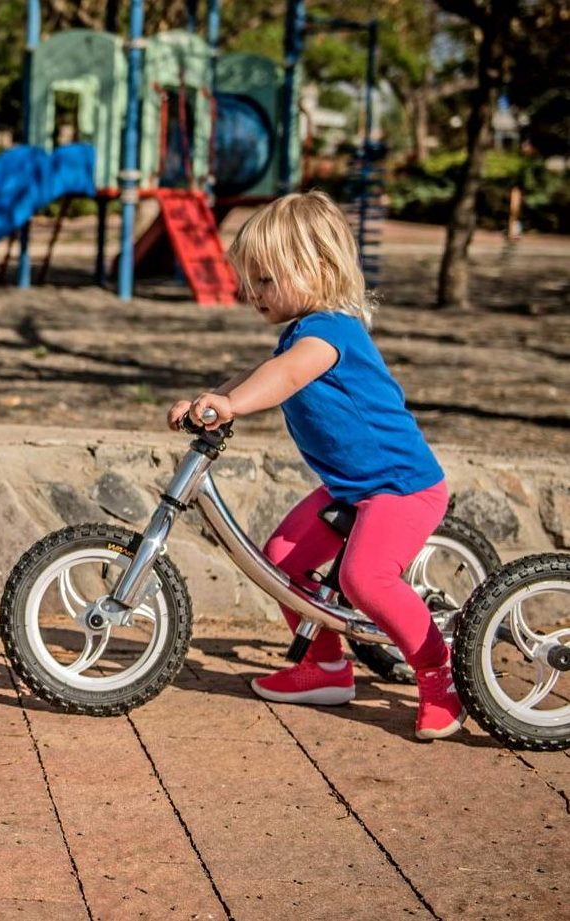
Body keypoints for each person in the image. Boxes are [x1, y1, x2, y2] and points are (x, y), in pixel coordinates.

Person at [168, 191, 462, 742]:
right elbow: (260, 372)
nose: (253, 293)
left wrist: (232, 405)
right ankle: (325, 668)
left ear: (318, 270)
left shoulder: (330, 333)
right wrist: (211, 397)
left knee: (363, 577)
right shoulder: (298, 334)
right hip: (351, 490)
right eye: (250, 280)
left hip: (400, 489)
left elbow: (281, 378)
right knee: (282, 560)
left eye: (266, 279)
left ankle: (439, 676)